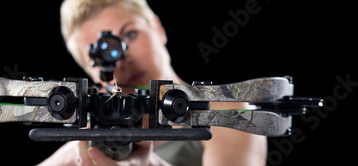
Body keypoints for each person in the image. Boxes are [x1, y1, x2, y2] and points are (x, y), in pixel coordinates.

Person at [39, 0, 267, 165]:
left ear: (158, 28)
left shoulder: (228, 114)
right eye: (99, 55)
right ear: (91, 73)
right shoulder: (81, 147)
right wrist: (72, 153)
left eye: (129, 35)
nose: (122, 59)